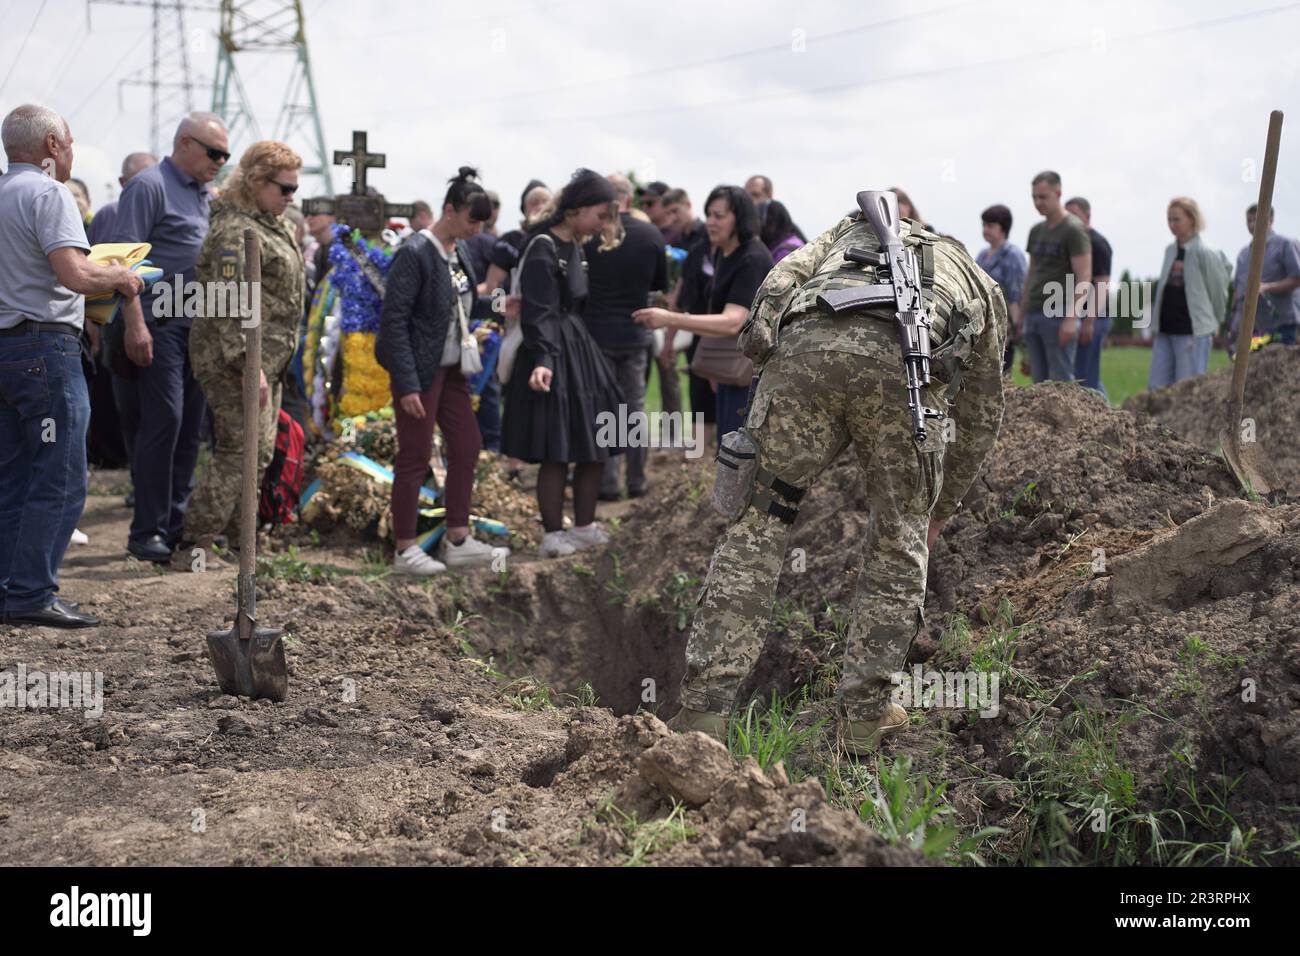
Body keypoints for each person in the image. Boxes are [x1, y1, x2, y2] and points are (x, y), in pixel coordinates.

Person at [666, 192, 1007, 754]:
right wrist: (938, 509)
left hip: (806, 358)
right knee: (898, 540)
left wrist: (765, 352)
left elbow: (778, 283)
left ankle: (705, 712)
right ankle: (864, 719)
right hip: (905, 377)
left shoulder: (844, 236)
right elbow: (983, 411)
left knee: (760, 522)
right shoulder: (976, 279)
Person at [1, 104, 144, 628]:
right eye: (70, 144)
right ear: (53, 147)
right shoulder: (48, 193)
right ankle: (33, 592)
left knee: (12, 473)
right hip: (43, 349)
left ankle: (8, 587)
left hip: (4, 350)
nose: (73, 153)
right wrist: (120, 277)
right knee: (59, 474)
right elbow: (73, 275)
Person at [109, 111, 228, 562]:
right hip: (160, 321)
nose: (220, 160)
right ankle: (147, 530)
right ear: (184, 143)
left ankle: (177, 522)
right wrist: (134, 323)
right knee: (166, 421)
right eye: (214, 152)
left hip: (197, 322)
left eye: (225, 154)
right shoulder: (150, 186)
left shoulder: (204, 195)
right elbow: (124, 262)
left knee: (190, 427)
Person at [179, 141, 306, 558]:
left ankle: (241, 542)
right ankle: (194, 545)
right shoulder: (236, 231)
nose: (291, 197)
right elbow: (228, 304)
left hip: (268, 361)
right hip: (234, 360)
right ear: (255, 182)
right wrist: (250, 366)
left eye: (294, 190)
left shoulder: (270, 222)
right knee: (239, 450)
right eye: (284, 189)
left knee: (259, 452)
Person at [379, 167, 504, 574]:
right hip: (419, 371)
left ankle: (458, 537)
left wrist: (501, 306)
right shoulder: (415, 254)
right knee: (415, 456)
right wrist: (408, 383)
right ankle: (404, 549)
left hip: (451, 370)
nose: (477, 228)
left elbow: (461, 303)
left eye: (483, 221)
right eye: (472, 219)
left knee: (467, 445)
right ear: (449, 210)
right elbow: (394, 322)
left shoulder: (459, 250)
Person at [499, 168, 626, 558]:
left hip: (578, 346)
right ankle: (553, 534)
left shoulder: (576, 246)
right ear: (576, 209)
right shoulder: (542, 246)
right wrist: (544, 359)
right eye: (601, 215)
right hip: (551, 347)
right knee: (557, 445)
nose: (604, 224)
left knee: (595, 440)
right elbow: (539, 311)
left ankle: (585, 525)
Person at [634, 185, 772, 440]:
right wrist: (713, 366)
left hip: (749, 376)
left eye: (719, 216)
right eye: (709, 214)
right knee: (723, 449)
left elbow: (734, 321)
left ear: (739, 218)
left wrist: (668, 318)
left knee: (737, 454)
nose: (710, 222)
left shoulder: (751, 257)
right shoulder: (723, 252)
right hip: (728, 370)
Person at [584, 173, 668, 501]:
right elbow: (659, 283)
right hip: (636, 331)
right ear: (629, 199)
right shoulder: (650, 235)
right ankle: (636, 479)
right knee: (633, 408)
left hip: (598, 333)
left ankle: (607, 483)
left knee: (604, 409)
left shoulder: (592, 237)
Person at [1148, 197, 1230, 388]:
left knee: (1187, 390)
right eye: (1169, 219)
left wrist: (1216, 320)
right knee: (1156, 388)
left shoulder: (1206, 252)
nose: (1171, 224)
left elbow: (1218, 291)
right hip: (1165, 329)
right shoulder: (1170, 250)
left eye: (1177, 219)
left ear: (1192, 219)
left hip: (1191, 332)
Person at [1021, 170, 1091, 383]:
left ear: (1058, 193)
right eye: (1034, 197)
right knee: (1038, 382)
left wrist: (1071, 319)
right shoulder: (1036, 231)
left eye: (1043, 197)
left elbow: (1084, 277)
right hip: (1034, 312)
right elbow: (1032, 272)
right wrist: (1023, 310)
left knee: (1060, 383)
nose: (1038, 202)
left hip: (1058, 312)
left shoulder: (1073, 229)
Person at [1230, 204, 1300, 347]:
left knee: (1279, 367)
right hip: (1253, 328)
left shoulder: (1286, 245)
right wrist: (1232, 324)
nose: (1252, 224)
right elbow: (1237, 292)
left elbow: (1297, 278)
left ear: (1271, 220)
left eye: (1256, 219)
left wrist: (1266, 287)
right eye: (1249, 221)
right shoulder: (1243, 255)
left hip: (1282, 325)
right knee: (1253, 368)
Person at [1065, 196, 1113, 396]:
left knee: (1087, 377)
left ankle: (1103, 417)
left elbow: (1102, 284)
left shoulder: (1098, 244)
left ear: (1087, 215)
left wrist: (1089, 321)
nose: (1071, 221)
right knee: (1079, 373)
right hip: (1074, 315)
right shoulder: (1071, 243)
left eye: (1075, 215)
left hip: (1093, 316)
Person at [975, 204, 1026, 375]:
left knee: (1001, 372)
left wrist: (1014, 326)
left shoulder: (1013, 255)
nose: (985, 230)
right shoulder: (982, 255)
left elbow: (1016, 293)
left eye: (990, 226)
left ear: (1003, 229)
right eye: (984, 225)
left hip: (1004, 321)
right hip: (982, 320)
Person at [87, 152, 157, 246]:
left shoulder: (166, 213)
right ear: (123, 182)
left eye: (154, 180)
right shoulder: (110, 213)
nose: (147, 187)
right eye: (140, 181)